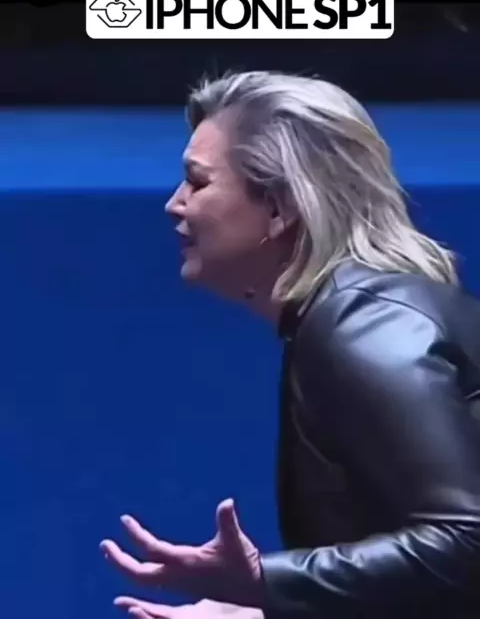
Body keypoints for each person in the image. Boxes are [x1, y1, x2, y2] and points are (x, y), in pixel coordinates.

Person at [100, 70, 480, 619]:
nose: (174, 204)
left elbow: (468, 543)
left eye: (197, 183)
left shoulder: (364, 326)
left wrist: (266, 582)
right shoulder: (357, 313)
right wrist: (260, 611)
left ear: (279, 207)